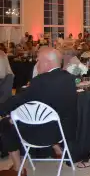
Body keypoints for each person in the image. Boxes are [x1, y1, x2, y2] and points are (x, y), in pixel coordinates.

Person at [0, 47, 77, 176]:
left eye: (38, 60)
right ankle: (57, 149)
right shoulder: (69, 78)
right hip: (64, 130)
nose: (36, 63)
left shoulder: (39, 81)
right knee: (48, 114)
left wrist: (3, 110)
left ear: (47, 62)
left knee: (5, 123)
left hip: (42, 133)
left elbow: (19, 100)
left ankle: (17, 168)